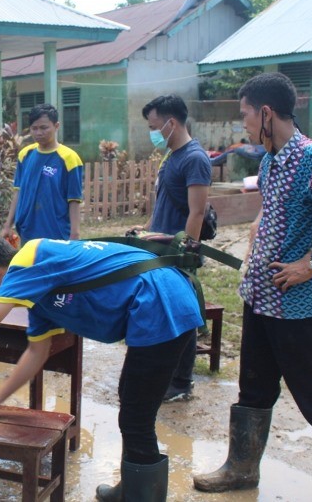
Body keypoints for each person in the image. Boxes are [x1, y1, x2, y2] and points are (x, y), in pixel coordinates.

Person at [0, 230, 204, 501]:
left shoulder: (28, 262)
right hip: (159, 300)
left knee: (136, 418)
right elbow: (37, 352)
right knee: (129, 398)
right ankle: (130, 489)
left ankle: (140, 496)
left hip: (162, 302)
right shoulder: (39, 292)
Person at [193, 72, 312, 501]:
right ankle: (241, 469)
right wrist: (259, 233)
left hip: (295, 302)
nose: (241, 124)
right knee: (254, 386)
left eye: (244, 115)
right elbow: (275, 209)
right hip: (259, 296)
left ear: (266, 112)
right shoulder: (269, 160)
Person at [134, 95, 211, 402]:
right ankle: (166, 372)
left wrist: (185, 251)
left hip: (178, 251)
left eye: (154, 126)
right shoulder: (172, 155)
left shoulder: (195, 158)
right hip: (161, 247)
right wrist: (149, 230)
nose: (152, 132)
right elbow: (164, 200)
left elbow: (197, 212)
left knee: (183, 314)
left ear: (172, 123)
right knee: (166, 310)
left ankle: (181, 380)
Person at [1, 103, 83, 242]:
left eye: (44, 127)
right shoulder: (25, 155)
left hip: (57, 234)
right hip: (27, 232)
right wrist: (8, 225)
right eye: (34, 128)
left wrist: (74, 235)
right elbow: (18, 192)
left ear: (56, 126)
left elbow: (74, 200)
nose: (39, 133)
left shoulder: (69, 159)